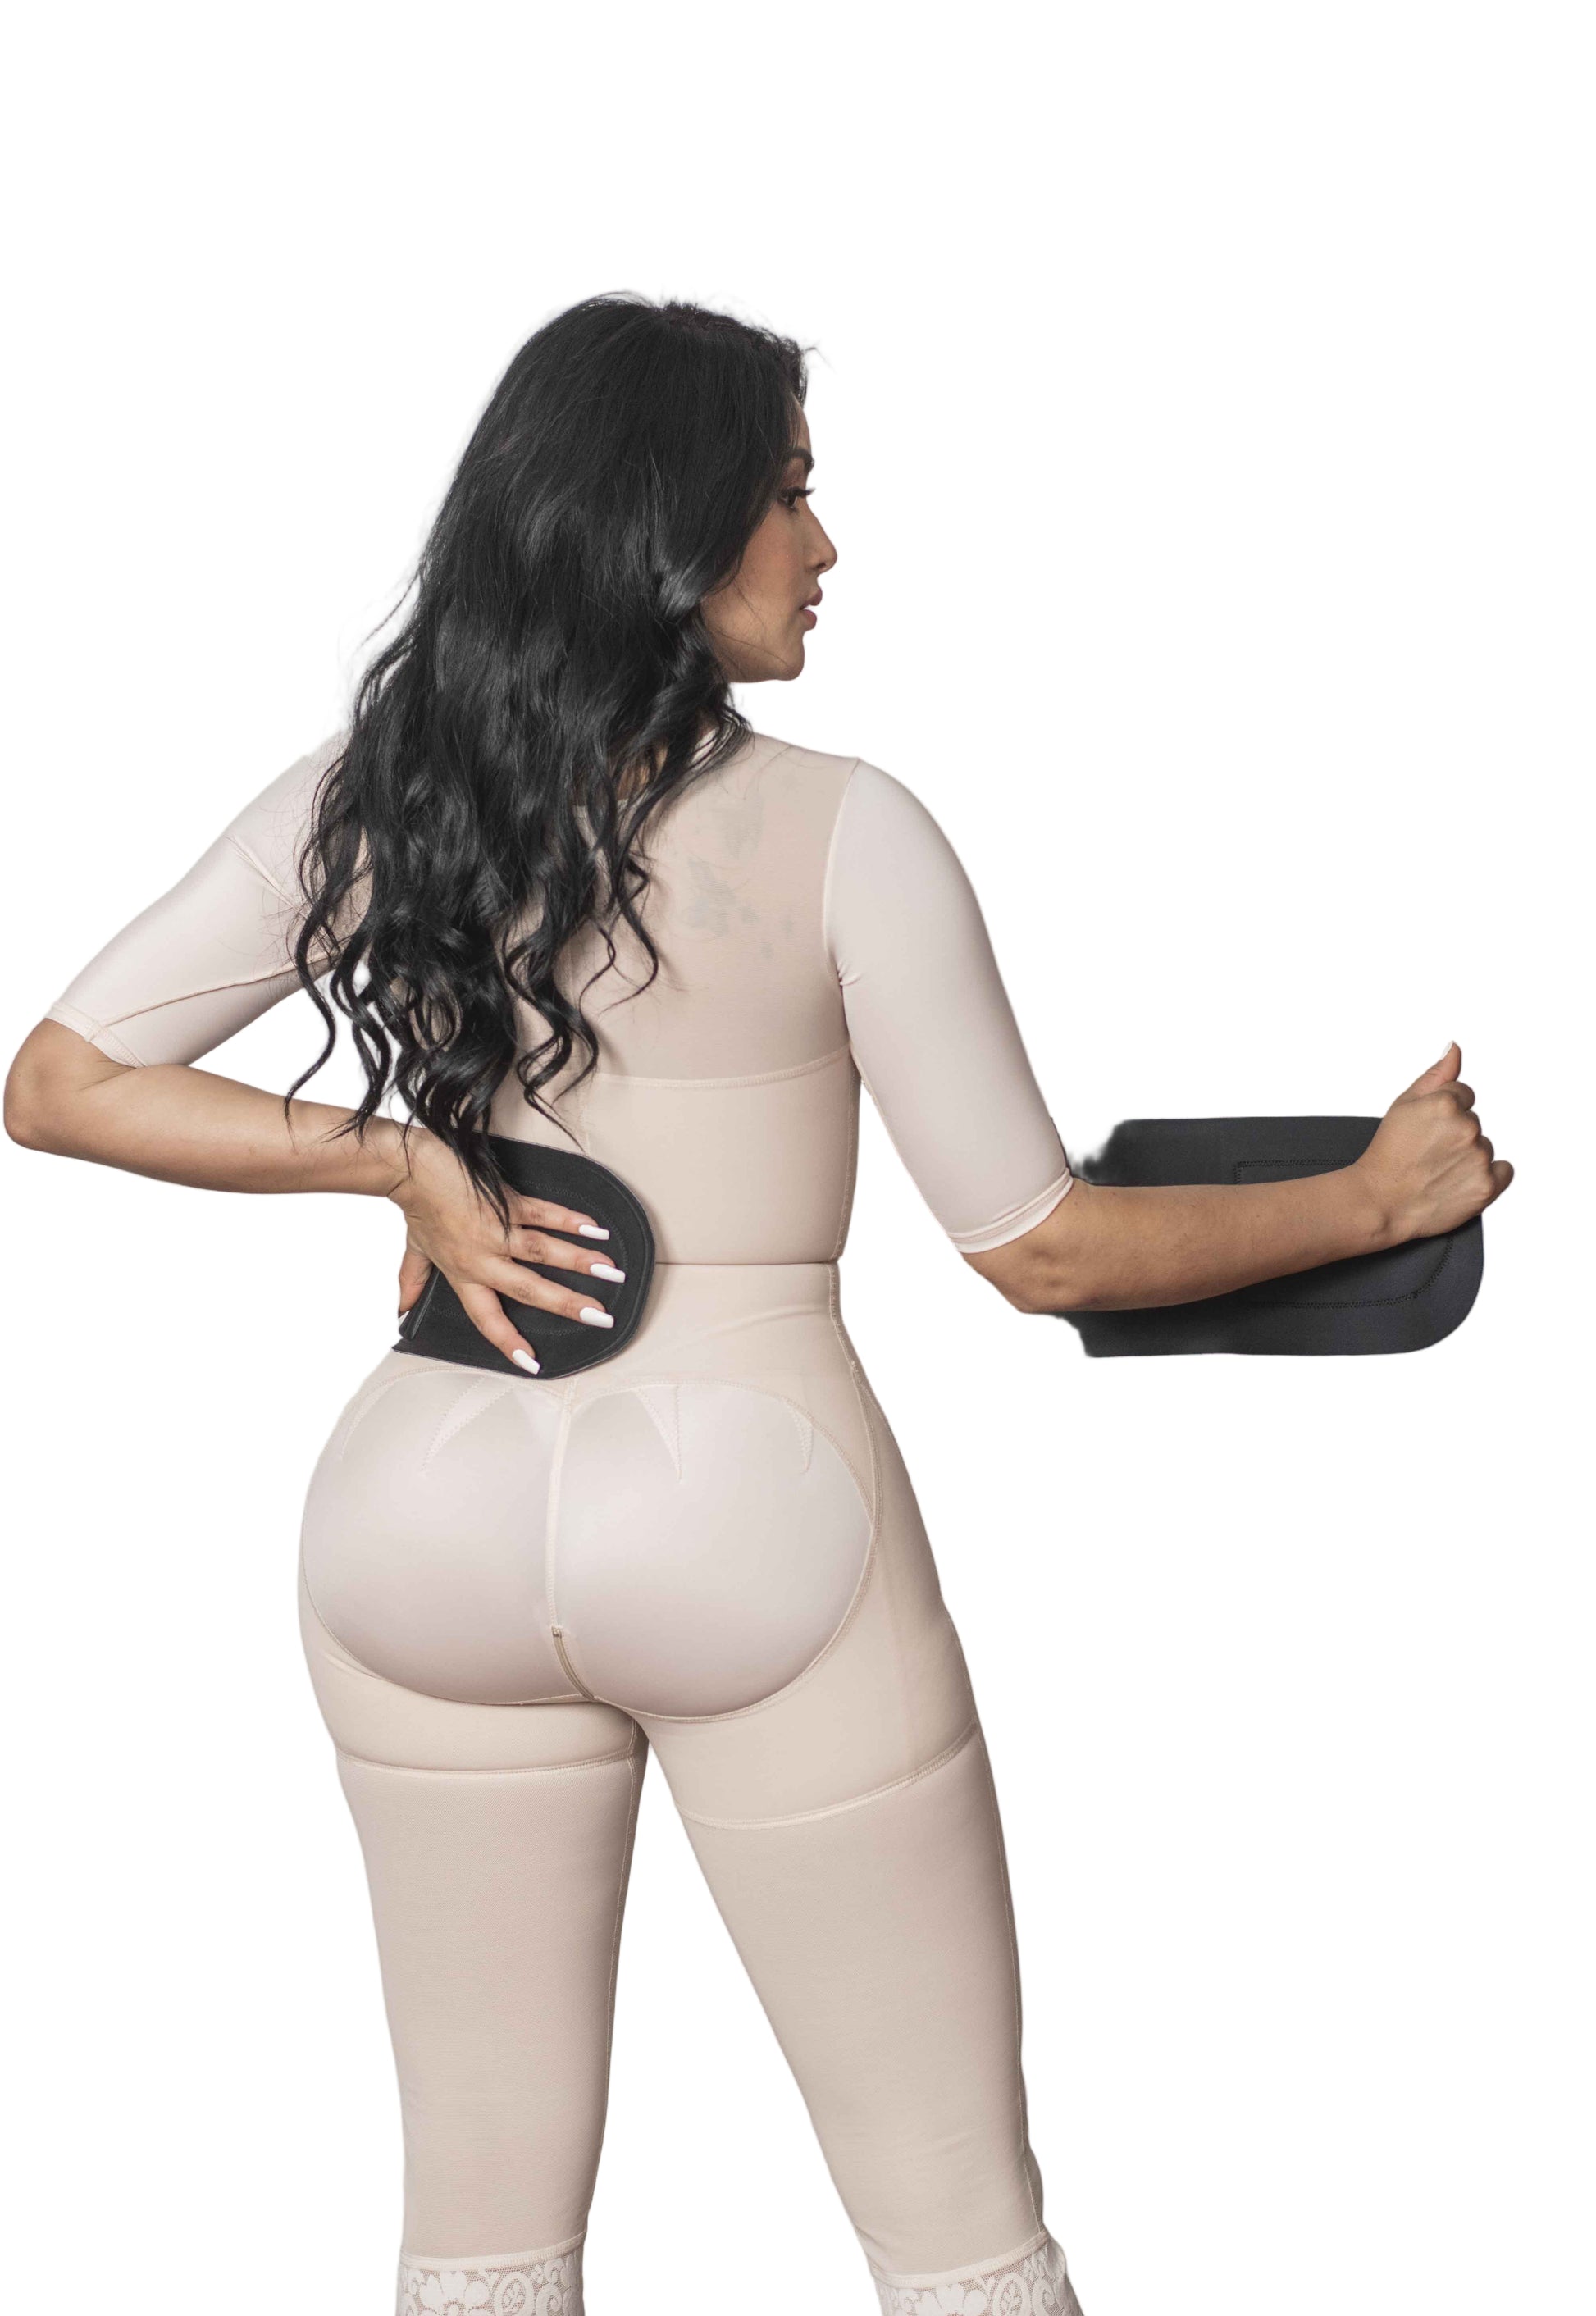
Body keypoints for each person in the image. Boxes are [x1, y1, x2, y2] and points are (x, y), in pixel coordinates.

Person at [4, 294, 1512, 2316]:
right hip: (746, 1499)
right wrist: (1372, 1196)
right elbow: (1038, 1245)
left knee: (476, 2238)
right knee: (956, 2234)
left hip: (417, 1509)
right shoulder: (842, 830)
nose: (825, 542)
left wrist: (404, 1161)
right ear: (670, 524)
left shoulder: (373, 796)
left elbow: (59, 1080)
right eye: (788, 491)